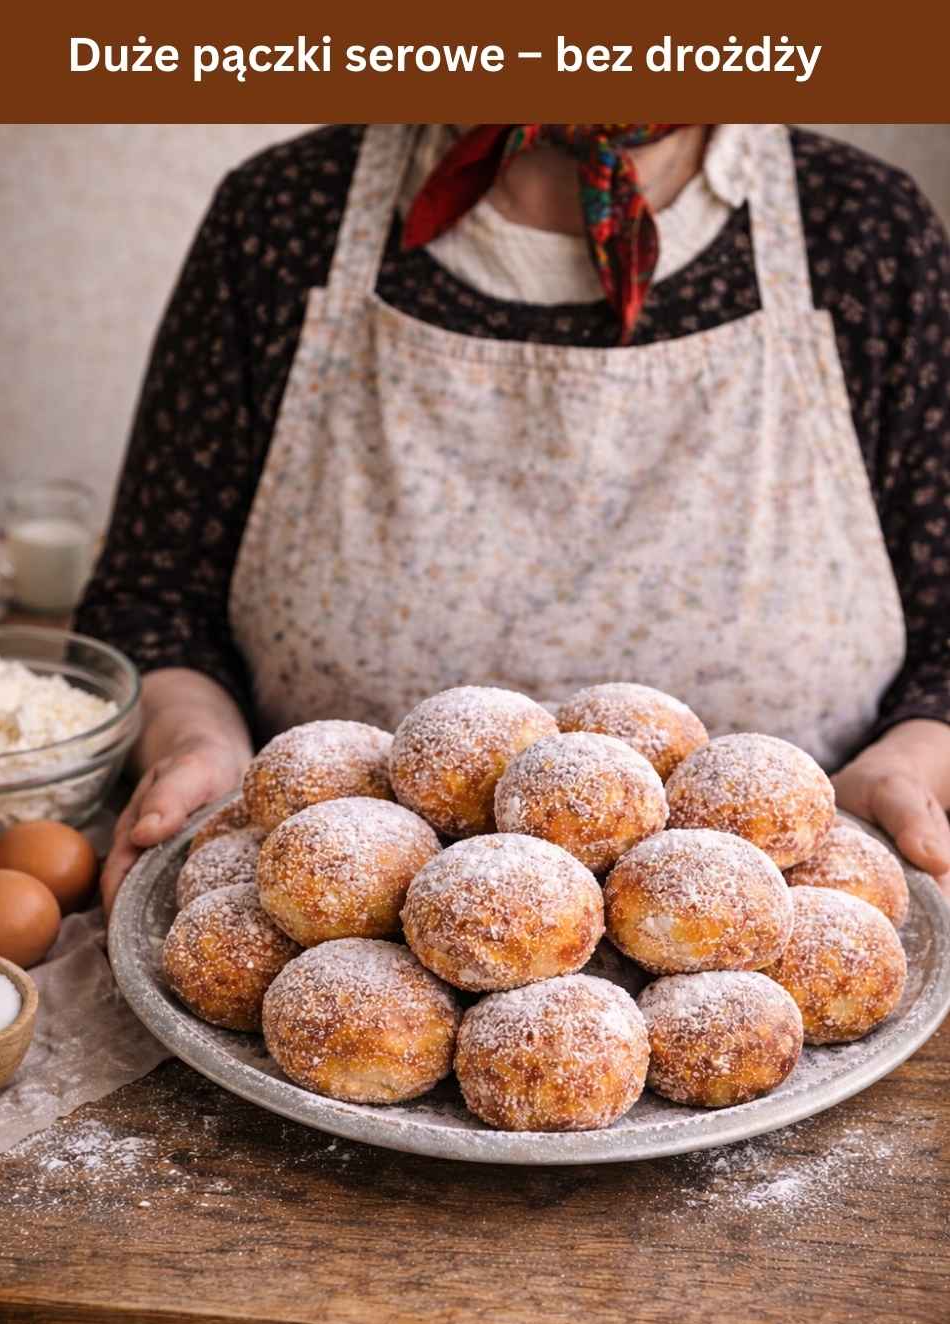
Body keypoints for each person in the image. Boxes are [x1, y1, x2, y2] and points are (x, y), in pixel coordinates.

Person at [73, 124, 950, 910]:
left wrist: (906, 765)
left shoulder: (862, 230)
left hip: (796, 924)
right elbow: (155, 601)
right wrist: (199, 740)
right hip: (322, 905)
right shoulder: (285, 217)